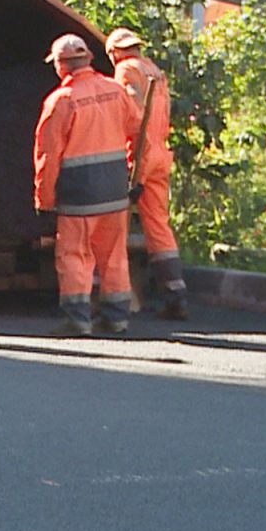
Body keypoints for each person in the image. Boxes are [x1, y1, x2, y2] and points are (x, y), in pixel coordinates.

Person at [34, 34, 142, 336]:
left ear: (61, 65)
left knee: (74, 255)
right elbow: (136, 128)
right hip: (115, 190)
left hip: (79, 194)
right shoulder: (115, 91)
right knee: (114, 255)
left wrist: (44, 198)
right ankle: (117, 317)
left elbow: (48, 154)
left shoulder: (61, 101)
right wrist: (137, 176)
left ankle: (78, 320)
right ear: (89, 60)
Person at [106, 27, 189, 320]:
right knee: (158, 225)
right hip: (160, 154)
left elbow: (132, 112)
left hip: (138, 153)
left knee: (116, 226)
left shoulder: (126, 70)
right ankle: (174, 293)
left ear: (114, 52)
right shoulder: (156, 71)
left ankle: (117, 300)